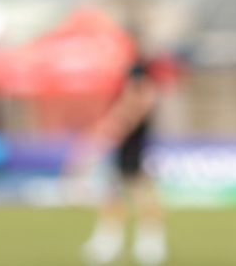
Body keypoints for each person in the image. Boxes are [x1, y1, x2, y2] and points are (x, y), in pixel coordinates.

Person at [68, 45, 167, 265]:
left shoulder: (141, 92)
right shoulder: (134, 92)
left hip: (134, 151)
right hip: (124, 151)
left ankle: (149, 243)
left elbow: (124, 119)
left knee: (140, 195)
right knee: (114, 196)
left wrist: (104, 134)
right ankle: (112, 241)